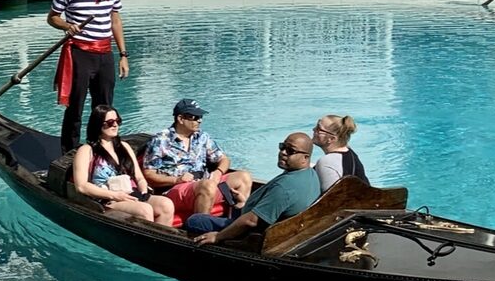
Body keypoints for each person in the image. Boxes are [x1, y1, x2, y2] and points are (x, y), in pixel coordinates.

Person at [47, 0, 130, 151]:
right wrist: (67, 25)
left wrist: (123, 54)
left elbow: (116, 20)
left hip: (105, 54)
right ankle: (70, 150)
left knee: (104, 108)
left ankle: (99, 147)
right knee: (75, 106)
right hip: (79, 54)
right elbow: (52, 18)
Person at [189, 131, 321, 245]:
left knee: (195, 220)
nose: (283, 153)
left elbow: (251, 221)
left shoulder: (284, 188)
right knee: (233, 203)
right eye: (282, 147)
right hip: (273, 223)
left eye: (290, 151)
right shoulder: (310, 175)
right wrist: (245, 204)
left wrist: (218, 236)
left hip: (250, 233)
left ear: (305, 158)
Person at [72, 104, 176, 225]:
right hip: (107, 198)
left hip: (132, 193)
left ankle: (159, 242)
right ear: (98, 124)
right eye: (110, 122)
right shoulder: (86, 150)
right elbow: (81, 186)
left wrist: (143, 191)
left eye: (117, 121)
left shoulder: (124, 146)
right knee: (144, 209)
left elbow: (139, 177)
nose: (115, 125)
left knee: (166, 205)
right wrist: (115, 195)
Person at [140, 99, 235, 222]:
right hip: (176, 187)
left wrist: (218, 172)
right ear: (180, 119)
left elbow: (224, 159)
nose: (199, 120)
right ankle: (201, 230)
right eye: (195, 117)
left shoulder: (202, 136)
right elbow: (148, 174)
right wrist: (176, 179)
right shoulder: (161, 140)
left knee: (243, 178)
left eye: (200, 117)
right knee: (207, 185)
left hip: (204, 181)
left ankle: (235, 225)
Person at [312, 114, 369, 192]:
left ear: (331, 138)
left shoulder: (326, 162)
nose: (313, 129)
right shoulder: (350, 152)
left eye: (319, 129)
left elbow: (331, 199)